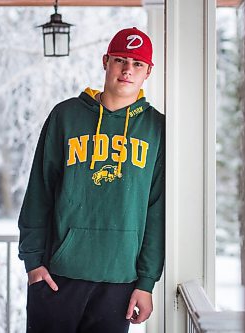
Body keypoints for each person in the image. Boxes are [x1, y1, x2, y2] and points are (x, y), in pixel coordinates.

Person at [18, 27, 165, 333]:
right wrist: (33, 261)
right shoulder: (65, 116)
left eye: (137, 63)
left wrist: (147, 282)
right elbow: (39, 191)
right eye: (120, 60)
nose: (127, 70)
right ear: (105, 61)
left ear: (148, 71)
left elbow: (157, 209)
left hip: (120, 281)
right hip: (58, 276)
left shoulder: (157, 128)